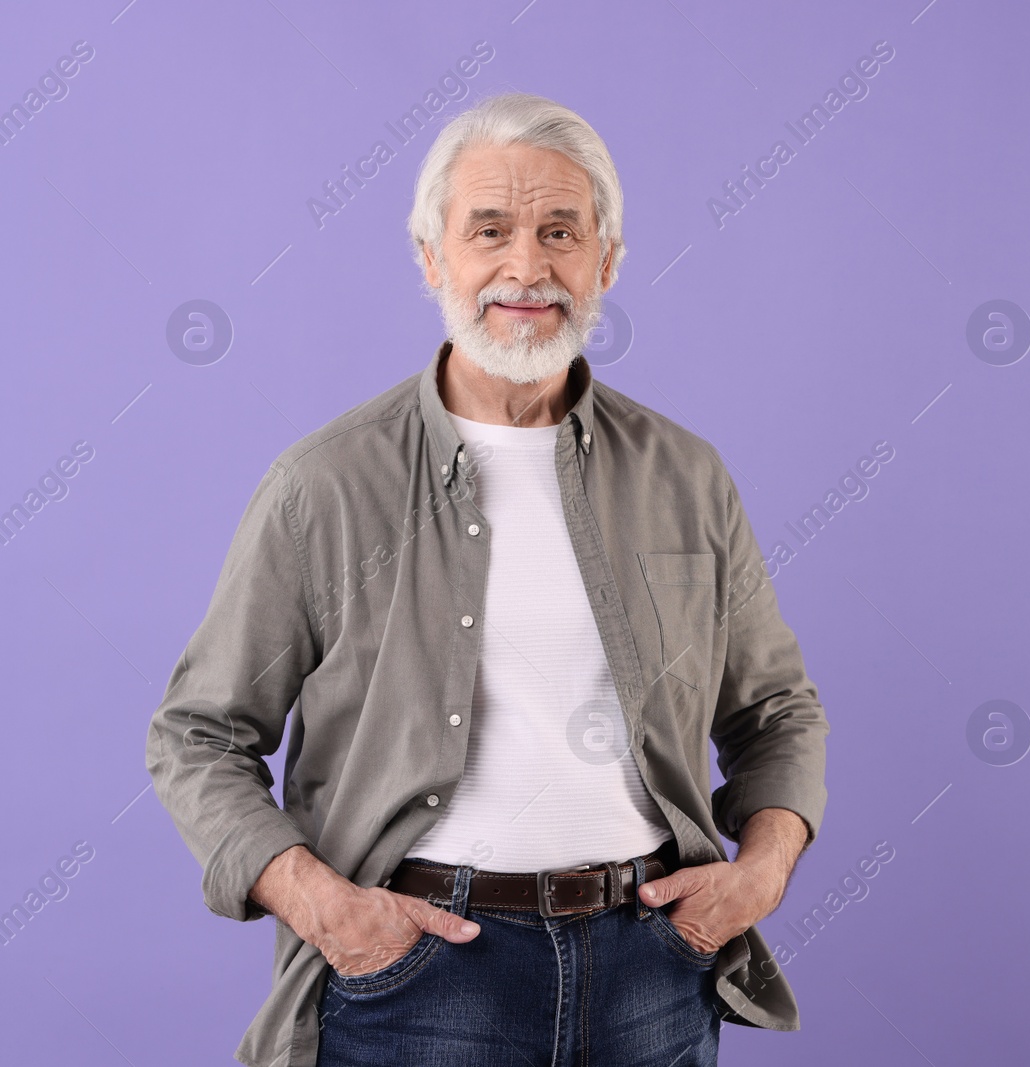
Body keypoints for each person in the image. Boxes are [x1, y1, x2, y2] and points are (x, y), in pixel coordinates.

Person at [145, 91, 829, 1067]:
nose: (526, 265)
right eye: (490, 230)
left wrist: (756, 876)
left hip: (652, 966)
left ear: (607, 260)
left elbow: (777, 709)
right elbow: (197, 734)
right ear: (432, 258)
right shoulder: (322, 484)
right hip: (413, 974)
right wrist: (329, 909)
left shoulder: (685, 473)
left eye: (561, 231)